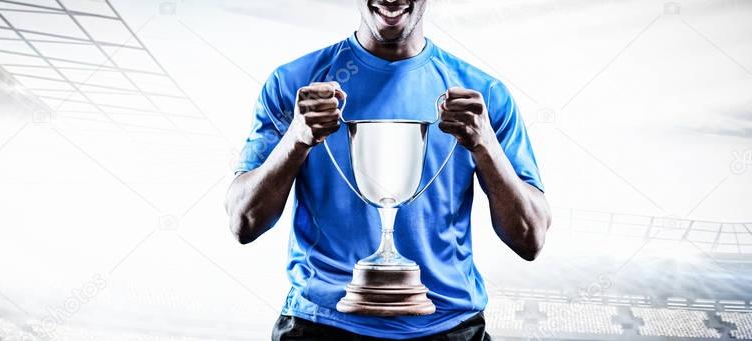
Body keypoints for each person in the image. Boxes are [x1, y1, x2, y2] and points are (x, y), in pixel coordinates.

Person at [224, 0, 552, 340]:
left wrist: (486, 145)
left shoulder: (482, 96)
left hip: (449, 328)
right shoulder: (294, 85)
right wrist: (296, 139)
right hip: (322, 326)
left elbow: (530, 238)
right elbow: (243, 222)